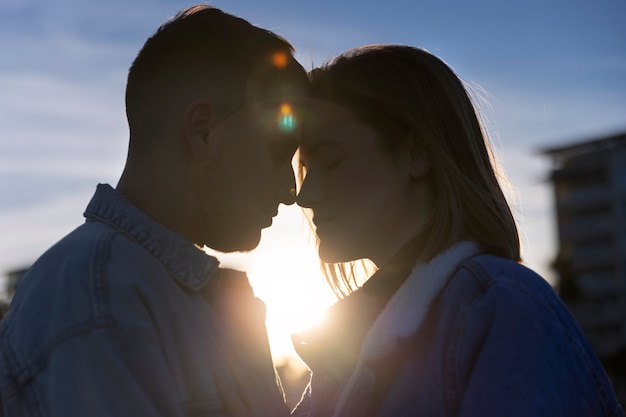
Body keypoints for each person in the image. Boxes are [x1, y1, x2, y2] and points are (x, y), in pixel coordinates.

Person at [0, 5, 308, 417]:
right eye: (279, 150)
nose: (291, 192)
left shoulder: (144, 290)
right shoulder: (102, 296)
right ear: (203, 130)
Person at [291, 45, 624, 416]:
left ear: (417, 153)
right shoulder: (354, 334)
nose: (305, 194)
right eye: (306, 168)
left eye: (331, 161)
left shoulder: (502, 308)